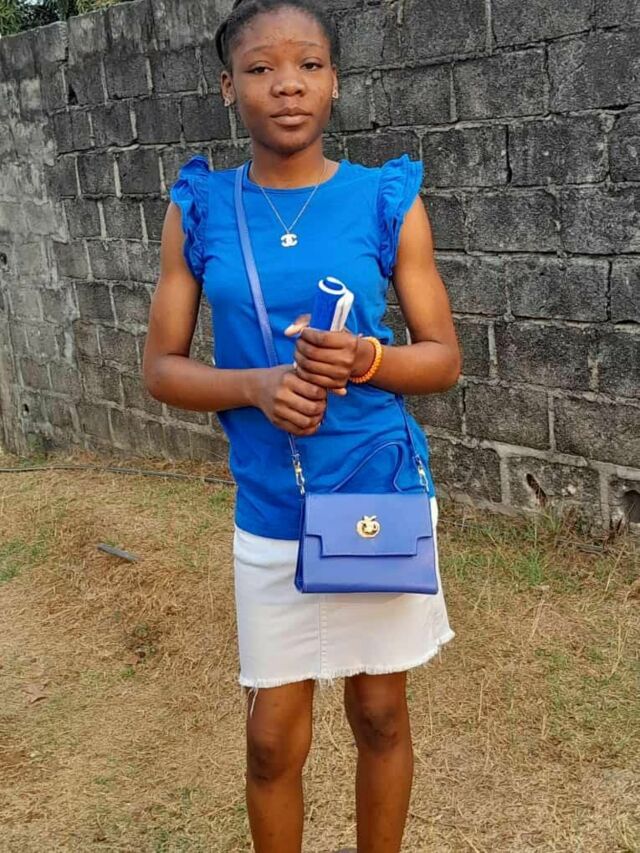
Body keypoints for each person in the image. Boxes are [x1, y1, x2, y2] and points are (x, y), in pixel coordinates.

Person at [142, 1, 461, 850]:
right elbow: (161, 368)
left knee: (380, 712)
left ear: (335, 82)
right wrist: (254, 385)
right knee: (271, 739)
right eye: (261, 68)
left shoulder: (384, 199)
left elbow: (442, 358)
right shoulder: (200, 208)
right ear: (228, 87)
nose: (288, 85)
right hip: (271, 506)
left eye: (309, 65)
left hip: (370, 491)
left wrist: (366, 359)